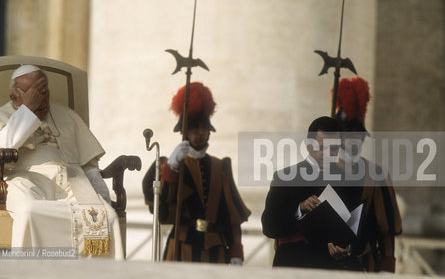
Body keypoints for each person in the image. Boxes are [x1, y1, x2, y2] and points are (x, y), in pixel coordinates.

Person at [0, 65, 124, 259]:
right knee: (29, 211)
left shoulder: (67, 116)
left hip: (73, 180)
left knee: (107, 218)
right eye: (33, 93)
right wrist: (29, 111)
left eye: (43, 91)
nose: (40, 98)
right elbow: (4, 146)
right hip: (22, 179)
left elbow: (88, 165)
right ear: (14, 97)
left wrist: (101, 198)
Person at [142, 82, 251, 264]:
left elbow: (232, 218)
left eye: (204, 127)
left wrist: (236, 253)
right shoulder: (166, 165)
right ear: (184, 131)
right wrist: (172, 168)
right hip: (181, 249)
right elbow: (162, 208)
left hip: (216, 252)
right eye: (193, 128)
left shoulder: (221, 167)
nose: (200, 132)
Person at [262, 116, 365, 270]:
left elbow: (362, 234)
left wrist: (347, 249)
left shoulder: (350, 182)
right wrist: (300, 209)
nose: (327, 153)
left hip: (334, 267)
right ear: (308, 146)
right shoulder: (285, 178)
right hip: (293, 264)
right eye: (322, 147)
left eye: (334, 148)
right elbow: (269, 226)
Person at [335, 77, 402, 272]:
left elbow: (387, 229)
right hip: (325, 262)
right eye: (349, 134)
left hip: (364, 263)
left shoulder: (377, 174)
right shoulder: (319, 170)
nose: (355, 140)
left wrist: (387, 267)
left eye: (359, 135)